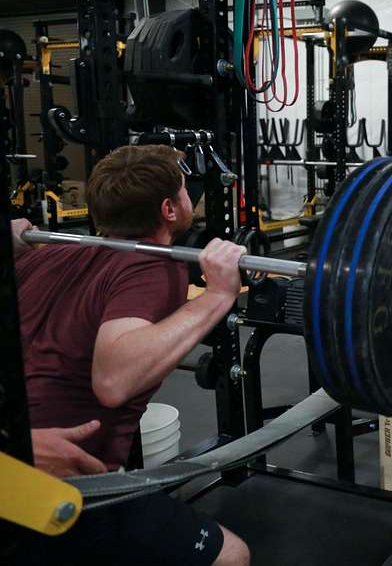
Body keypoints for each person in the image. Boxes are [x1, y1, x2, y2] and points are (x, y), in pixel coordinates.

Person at [12, 144, 250, 566]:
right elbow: (115, 380)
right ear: (168, 209)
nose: (187, 196)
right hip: (64, 487)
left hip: (9, 470)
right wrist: (218, 295)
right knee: (231, 556)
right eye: (182, 190)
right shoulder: (151, 267)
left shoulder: (47, 258)